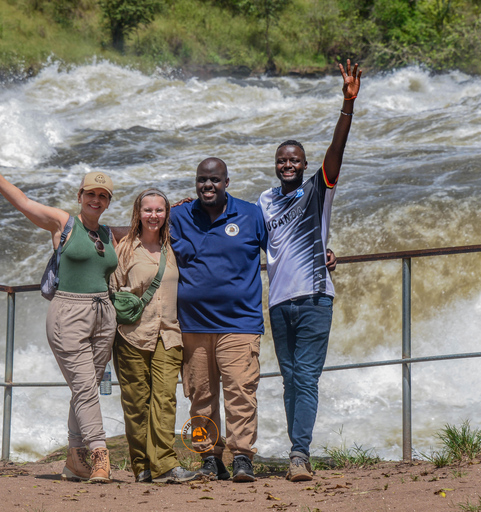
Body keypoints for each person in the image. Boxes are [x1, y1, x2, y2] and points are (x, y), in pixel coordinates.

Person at [0, 144, 117, 483]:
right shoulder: (63, 223)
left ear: (109, 201)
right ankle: (99, 454)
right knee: (85, 387)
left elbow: (146, 230)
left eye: (103, 195)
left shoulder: (108, 234)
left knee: (86, 387)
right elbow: (23, 202)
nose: (96, 199)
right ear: (80, 195)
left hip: (104, 315)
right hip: (69, 313)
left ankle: (75, 461)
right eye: (90, 193)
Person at [256, 59, 362, 482]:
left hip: (316, 299)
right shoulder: (264, 202)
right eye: (282, 159)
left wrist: (347, 105)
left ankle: (299, 454)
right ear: (276, 164)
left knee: (307, 378)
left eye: (295, 159)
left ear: (303, 165)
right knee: (289, 380)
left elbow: (337, 151)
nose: (288, 164)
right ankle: (297, 451)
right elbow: (251, 240)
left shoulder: (318, 189)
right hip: (279, 303)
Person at [169, 157, 268, 483]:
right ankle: (209, 459)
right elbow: (144, 233)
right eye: (202, 180)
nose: (207, 186)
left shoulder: (252, 214)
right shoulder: (179, 215)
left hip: (239, 323)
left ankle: (242, 458)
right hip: (193, 325)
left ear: (227, 182)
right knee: (200, 396)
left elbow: (283, 248)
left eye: (214, 180)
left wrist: (321, 253)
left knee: (241, 392)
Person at [110, 188, 200, 484]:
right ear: (138, 213)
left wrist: (184, 203)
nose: (153, 215)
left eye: (159, 210)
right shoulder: (124, 249)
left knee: (164, 400)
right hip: (131, 336)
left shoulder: (173, 247)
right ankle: (142, 467)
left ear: (166, 214)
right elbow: (113, 291)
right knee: (136, 404)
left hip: (169, 335)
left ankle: (164, 464)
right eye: (147, 210)